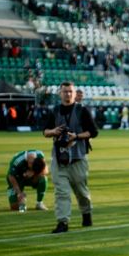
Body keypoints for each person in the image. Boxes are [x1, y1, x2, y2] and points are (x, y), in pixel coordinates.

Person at [43, 81, 98, 234]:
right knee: (61, 192)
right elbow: (45, 131)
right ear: (60, 93)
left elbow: (93, 132)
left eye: (70, 91)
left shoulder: (82, 110)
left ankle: (86, 213)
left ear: (74, 94)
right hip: (59, 159)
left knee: (81, 192)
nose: (68, 94)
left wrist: (77, 136)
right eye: (65, 91)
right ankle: (63, 222)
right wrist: (53, 131)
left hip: (78, 158)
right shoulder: (54, 111)